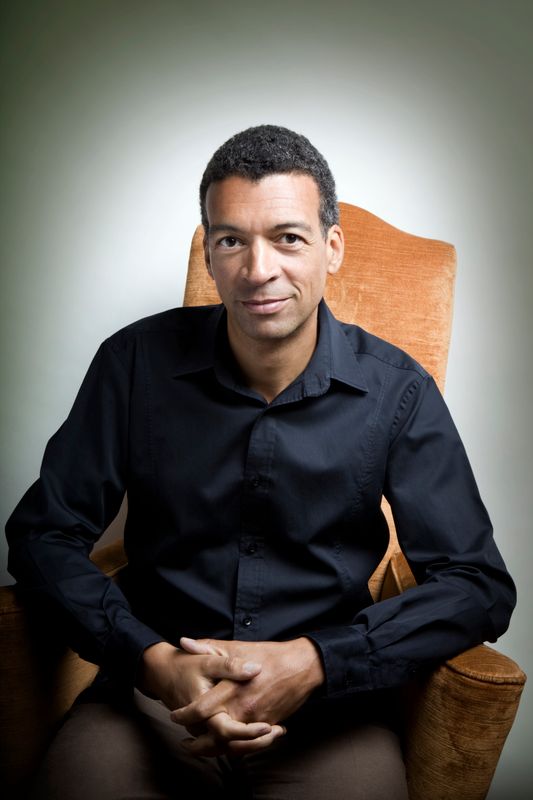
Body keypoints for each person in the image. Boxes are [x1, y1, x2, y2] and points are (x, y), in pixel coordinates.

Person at [6, 125, 515, 799]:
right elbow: (42, 534)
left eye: (288, 238)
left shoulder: (398, 392)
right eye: (231, 241)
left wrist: (315, 662)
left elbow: (477, 585)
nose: (258, 269)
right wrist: (151, 660)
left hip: (329, 713)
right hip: (150, 700)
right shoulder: (132, 364)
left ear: (332, 248)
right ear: (209, 254)